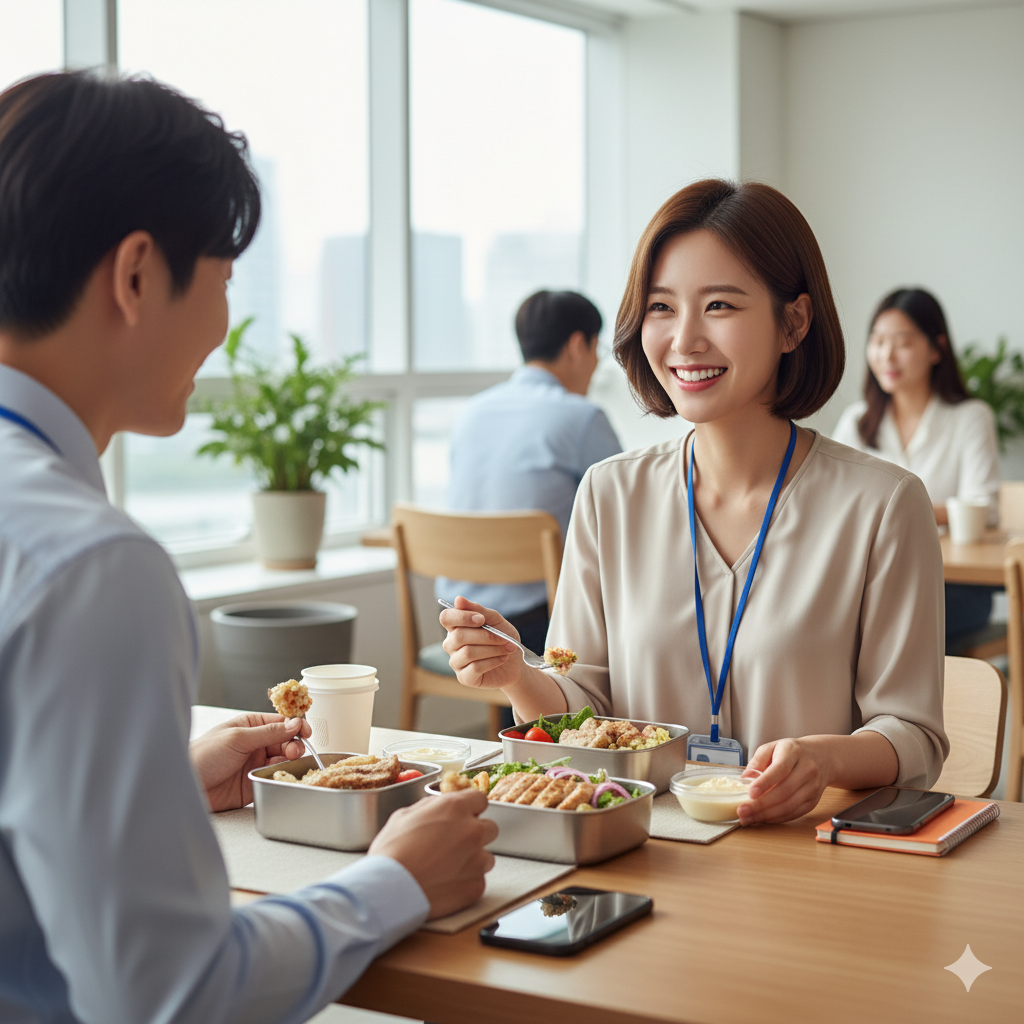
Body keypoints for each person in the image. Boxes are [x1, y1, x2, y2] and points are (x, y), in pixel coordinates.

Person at [0, 71, 496, 1024]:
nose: (225, 327)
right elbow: (172, 995)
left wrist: (157, 791)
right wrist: (396, 879)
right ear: (136, 275)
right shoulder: (90, 567)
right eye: (224, 281)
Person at [441, 179, 947, 826]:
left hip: (804, 854)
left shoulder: (884, 505)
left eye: (719, 306)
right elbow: (583, 710)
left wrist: (825, 760)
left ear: (793, 322)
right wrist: (517, 674)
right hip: (644, 851)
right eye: (661, 307)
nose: (684, 340)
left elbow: (913, 734)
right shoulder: (609, 494)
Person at [436, 290, 621, 715]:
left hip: (458, 617)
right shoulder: (582, 417)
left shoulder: (471, 412)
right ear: (579, 345)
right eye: (598, 350)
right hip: (534, 624)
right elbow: (630, 512)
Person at [832, 288, 1000, 649]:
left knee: (883, 625)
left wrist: (898, 512)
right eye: (878, 341)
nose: (887, 355)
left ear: (937, 348)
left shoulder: (970, 417)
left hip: (954, 585)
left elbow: (983, 509)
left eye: (903, 342)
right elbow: (830, 502)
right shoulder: (857, 421)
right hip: (875, 578)